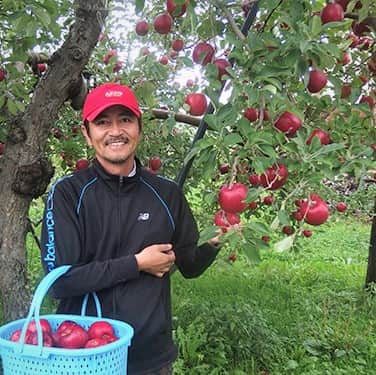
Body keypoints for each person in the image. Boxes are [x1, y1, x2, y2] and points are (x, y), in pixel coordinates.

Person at [40, 82, 221, 375]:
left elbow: (189, 266)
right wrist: (137, 264)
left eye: (125, 120)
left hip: (150, 358)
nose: (115, 131)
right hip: (81, 356)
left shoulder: (167, 195)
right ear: (87, 134)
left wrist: (215, 243)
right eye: (102, 122)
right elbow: (60, 282)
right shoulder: (68, 194)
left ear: (139, 127)